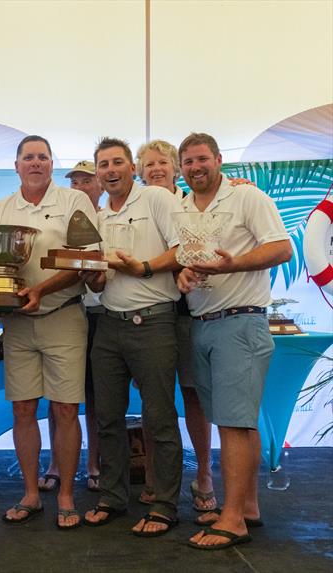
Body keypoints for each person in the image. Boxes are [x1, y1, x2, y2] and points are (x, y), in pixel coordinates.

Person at [176, 133, 291, 550]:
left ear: (219, 159)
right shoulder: (183, 209)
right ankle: (248, 508)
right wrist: (183, 276)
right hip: (203, 323)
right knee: (236, 421)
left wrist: (233, 266)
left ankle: (231, 520)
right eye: (187, 161)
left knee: (234, 424)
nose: (195, 167)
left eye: (202, 158)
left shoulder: (248, 198)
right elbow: (187, 262)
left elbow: (283, 249)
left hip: (240, 322)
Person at [0, 136, 97, 529]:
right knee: (22, 409)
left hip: (64, 316)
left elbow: (86, 260)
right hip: (17, 323)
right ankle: (31, 493)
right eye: (28, 158)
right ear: (16, 165)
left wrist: (40, 290)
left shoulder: (74, 202)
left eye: (43, 157)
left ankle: (66, 495)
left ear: (52, 164)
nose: (36, 163)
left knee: (66, 409)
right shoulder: (0, 209)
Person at [82, 137, 183, 538]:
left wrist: (142, 267)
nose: (110, 170)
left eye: (117, 162)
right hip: (108, 323)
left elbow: (185, 250)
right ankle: (112, 497)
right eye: (103, 164)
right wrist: (92, 276)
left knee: (159, 419)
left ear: (131, 168)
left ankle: (164, 506)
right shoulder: (100, 215)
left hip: (154, 322)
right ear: (97, 172)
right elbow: (102, 277)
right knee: (107, 418)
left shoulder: (157, 199)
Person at [134, 140, 215, 511]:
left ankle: (204, 473)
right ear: (139, 170)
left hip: (190, 315)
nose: (155, 169)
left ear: (176, 168)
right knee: (156, 402)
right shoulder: (135, 208)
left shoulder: (191, 204)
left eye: (163, 162)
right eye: (148, 164)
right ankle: (153, 474)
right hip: (151, 317)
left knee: (194, 396)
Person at [38, 160, 104, 494]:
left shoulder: (109, 217)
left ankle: (94, 462)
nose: (79, 186)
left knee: (94, 396)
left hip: (103, 315)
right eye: (74, 181)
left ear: (101, 184)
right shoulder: (63, 217)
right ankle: (55, 463)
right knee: (58, 397)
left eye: (86, 180)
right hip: (69, 309)